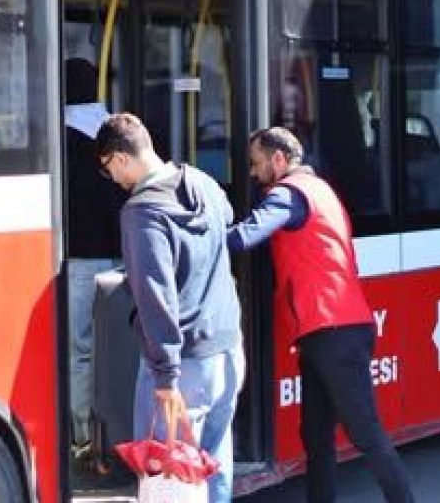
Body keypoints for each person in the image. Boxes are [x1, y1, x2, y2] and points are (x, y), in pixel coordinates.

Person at [227, 127, 414, 503]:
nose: (253, 173)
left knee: (365, 432)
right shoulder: (321, 189)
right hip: (326, 330)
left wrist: (196, 236)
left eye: (256, 163)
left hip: (333, 329)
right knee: (316, 434)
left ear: (279, 159)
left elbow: (245, 236)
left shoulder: (287, 194)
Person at [95, 112, 244, 503]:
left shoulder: (142, 213)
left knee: (170, 471)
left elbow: (155, 297)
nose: (113, 179)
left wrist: (165, 376)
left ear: (120, 158)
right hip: (227, 349)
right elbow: (228, 220)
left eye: (109, 169)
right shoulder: (202, 182)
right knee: (212, 463)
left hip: (184, 364)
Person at [62, 58, 127, 458]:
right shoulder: (119, 133)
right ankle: (118, 430)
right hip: (123, 259)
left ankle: (83, 434)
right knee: (117, 346)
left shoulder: (60, 139)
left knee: (81, 350)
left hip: (79, 262)